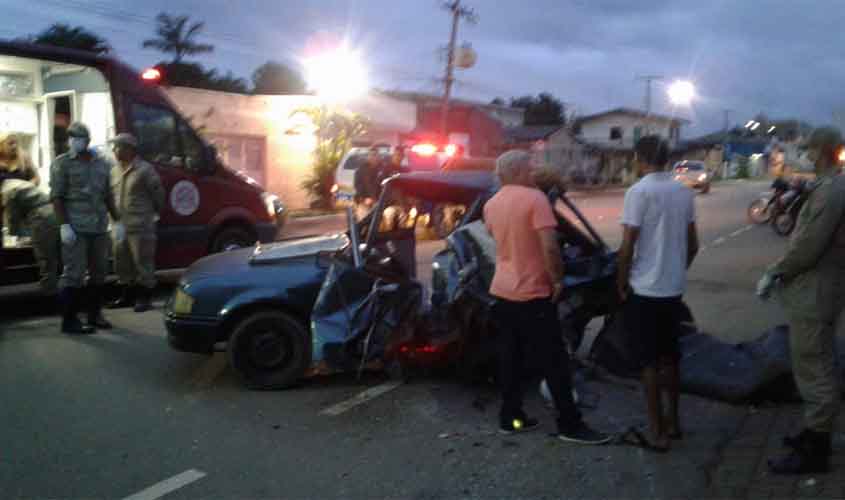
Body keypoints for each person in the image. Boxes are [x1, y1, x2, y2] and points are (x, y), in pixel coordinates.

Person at [483, 149, 610, 444]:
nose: (533, 174)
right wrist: (557, 280)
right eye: (529, 169)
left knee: (511, 359)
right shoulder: (535, 199)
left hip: (503, 291)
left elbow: (501, 243)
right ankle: (570, 425)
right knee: (554, 362)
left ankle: (510, 418)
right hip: (533, 293)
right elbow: (551, 248)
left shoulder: (491, 204)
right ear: (516, 172)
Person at [758, 126, 845, 474]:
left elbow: (809, 245)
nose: (806, 153)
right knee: (812, 363)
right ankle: (813, 433)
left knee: (815, 367)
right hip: (816, 287)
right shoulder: (827, 185)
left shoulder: (833, 190)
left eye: (810, 148)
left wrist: (776, 270)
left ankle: (817, 449)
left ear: (823, 150)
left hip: (816, 289)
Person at [617, 135, 699, 452]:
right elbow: (693, 244)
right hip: (672, 290)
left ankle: (656, 431)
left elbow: (627, 247)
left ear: (640, 158)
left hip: (645, 290)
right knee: (671, 358)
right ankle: (675, 422)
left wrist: (621, 283)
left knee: (648, 362)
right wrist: (677, 270)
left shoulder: (639, 192)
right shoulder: (683, 191)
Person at [50, 122, 121, 334]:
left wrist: (117, 220)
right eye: (70, 137)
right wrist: (64, 226)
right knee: (74, 275)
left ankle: (94, 314)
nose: (73, 141)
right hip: (76, 228)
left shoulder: (102, 163)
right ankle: (70, 320)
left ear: (87, 140)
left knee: (100, 273)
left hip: (99, 227)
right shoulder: (61, 164)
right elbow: (57, 198)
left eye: (77, 137)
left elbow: (107, 194)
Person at [106, 134, 164, 313]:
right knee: (121, 262)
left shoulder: (145, 170)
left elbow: (158, 195)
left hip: (141, 225)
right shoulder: (114, 171)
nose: (114, 151)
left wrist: (154, 215)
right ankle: (127, 296)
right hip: (119, 226)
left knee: (142, 262)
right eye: (114, 147)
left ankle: (144, 298)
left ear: (129, 149)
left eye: (118, 147)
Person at [0, 178, 59, 293]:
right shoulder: (16, 183)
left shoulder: (7, 191)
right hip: (54, 212)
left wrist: (12, 236)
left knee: (45, 255)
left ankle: (49, 290)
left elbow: (13, 218)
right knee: (54, 253)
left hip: (41, 216)